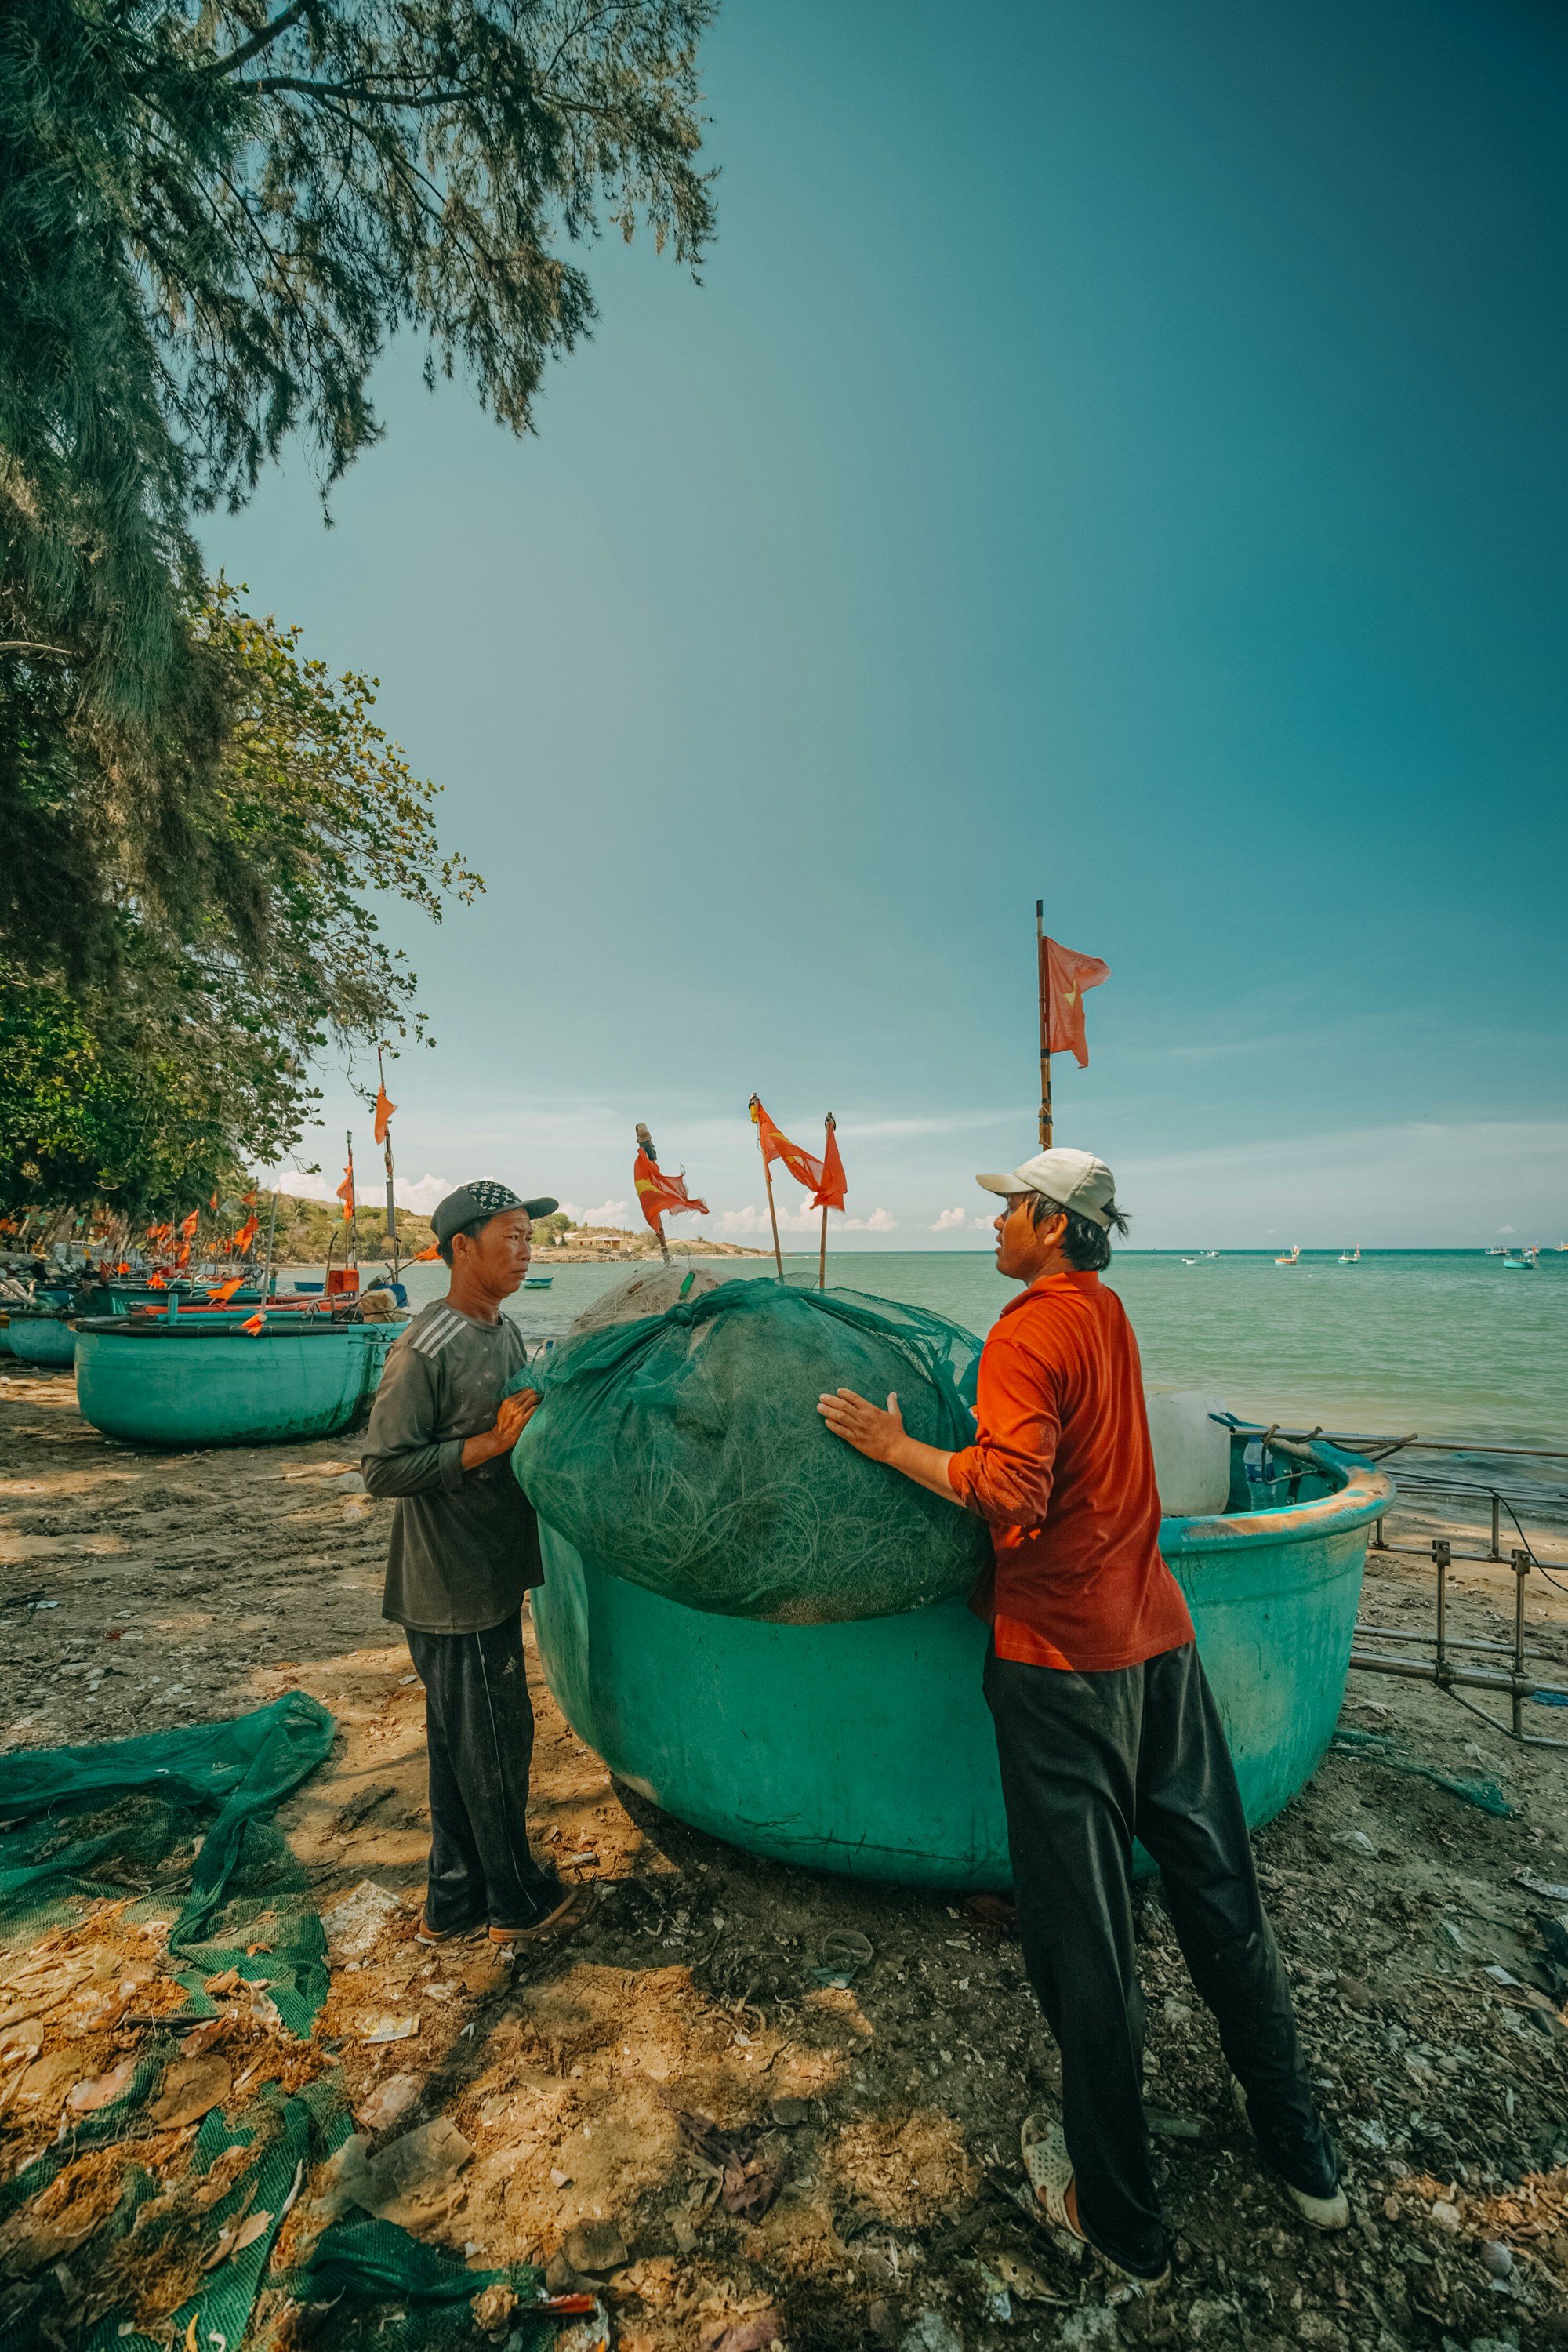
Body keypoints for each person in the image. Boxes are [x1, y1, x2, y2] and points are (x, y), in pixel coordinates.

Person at [817, 1146, 1345, 2289]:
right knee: (1220, 1893)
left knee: (1085, 1944)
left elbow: (1012, 1490)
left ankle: (1118, 2219)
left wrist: (892, 1447)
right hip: (1158, 1644)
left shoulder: (1026, 1331)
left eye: (1009, 1208)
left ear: (1052, 1225)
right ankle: (1300, 2152)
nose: (993, 1223)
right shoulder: (1106, 1313)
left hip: (1059, 1664)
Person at [362, 1180, 591, 1948]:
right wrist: (489, 1445)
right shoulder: (425, 1346)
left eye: (530, 1238)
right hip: (448, 1586)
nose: (525, 1252)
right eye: (510, 1237)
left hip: (490, 1574)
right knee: (494, 1743)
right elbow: (383, 1468)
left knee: (463, 1747)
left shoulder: (505, 1330)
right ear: (462, 1248)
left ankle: (454, 1901)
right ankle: (515, 1902)